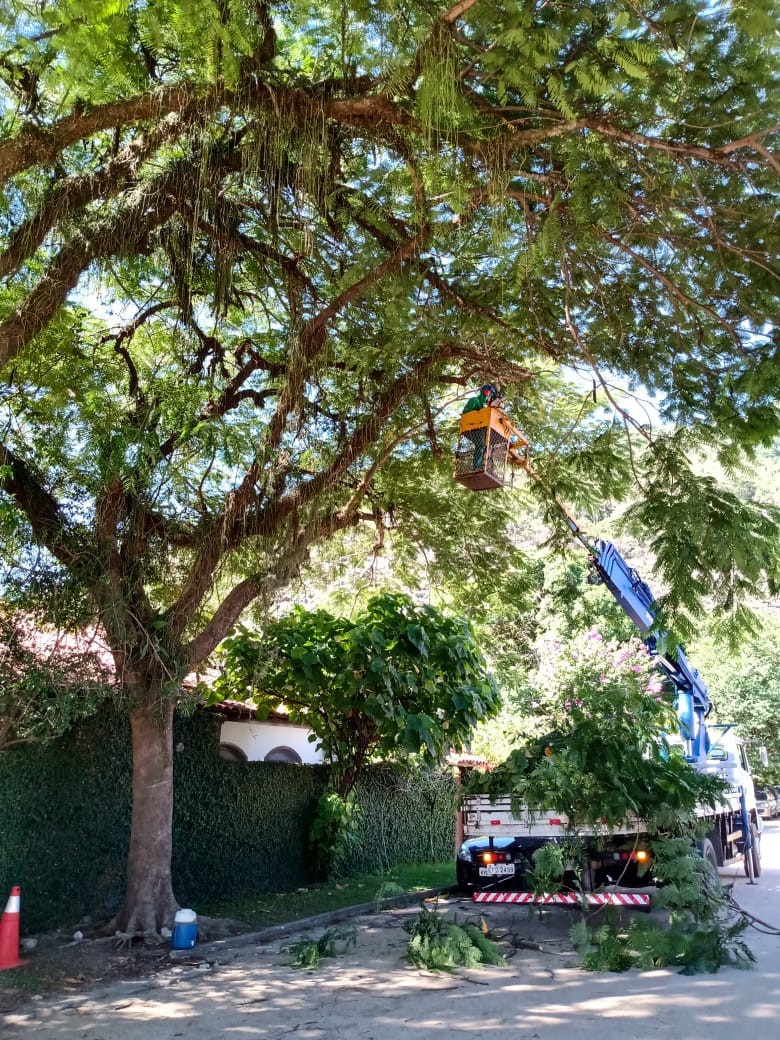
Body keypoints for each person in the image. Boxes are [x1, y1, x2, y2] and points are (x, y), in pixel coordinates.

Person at [460, 384, 501, 469]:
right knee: (481, 445)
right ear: (482, 391)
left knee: (484, 446)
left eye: (489, 393)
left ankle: (485, 466)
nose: (487, 394)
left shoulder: (486, 407)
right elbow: (465, 413)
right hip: (472, 426)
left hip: (481, 428)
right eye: (486, 391)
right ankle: (477, 466)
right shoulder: (474, 400)